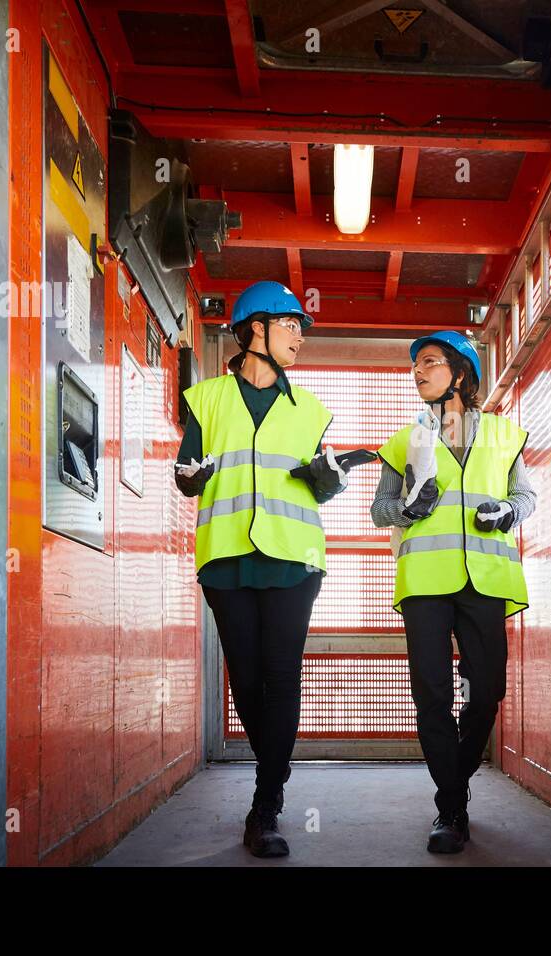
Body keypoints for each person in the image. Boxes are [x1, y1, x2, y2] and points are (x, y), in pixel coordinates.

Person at [175, 280, 351, 858]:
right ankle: (271, 775)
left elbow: (322, 487)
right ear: (255, 329)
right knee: (246, 681)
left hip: (293, 563)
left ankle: (266, 806)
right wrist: (188, 477)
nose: (300, 335)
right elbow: (187, 469)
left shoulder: (313, 411)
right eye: (290, 324)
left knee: (282, 676)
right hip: (226, 560)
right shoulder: (205, 400)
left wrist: (328, 481)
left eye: (302, 326)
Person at [370, 330, 536, 853]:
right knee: (433, 695)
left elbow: (525, 495)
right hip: (425, 584)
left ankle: (454, 782)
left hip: (486, 580)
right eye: (415, 365)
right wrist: (407, 510)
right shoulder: (404, 441)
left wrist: (508, 511)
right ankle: (451, 809)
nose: (418, 371)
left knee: (486, 690)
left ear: (461, 374)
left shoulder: (506, 436)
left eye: (431, 362)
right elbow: (380, 509)